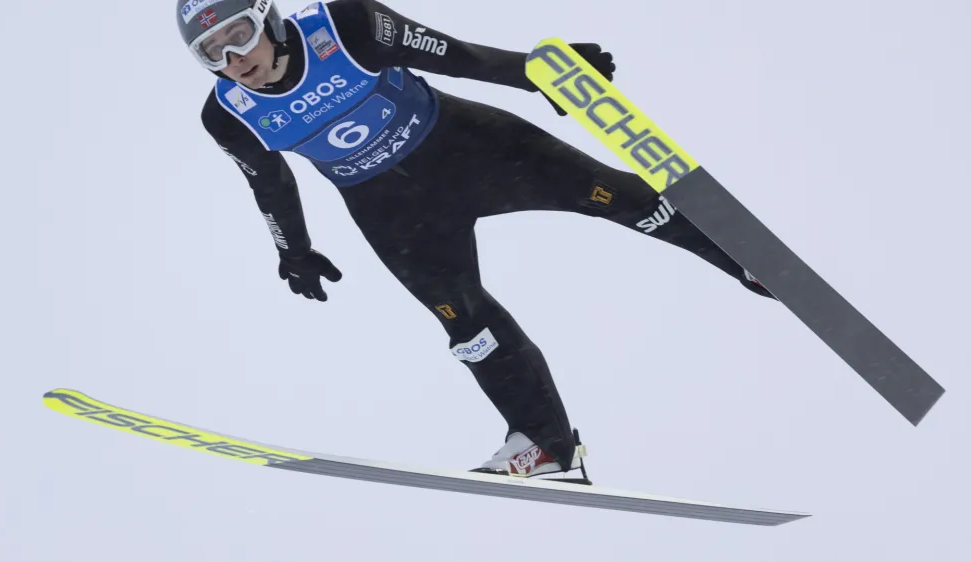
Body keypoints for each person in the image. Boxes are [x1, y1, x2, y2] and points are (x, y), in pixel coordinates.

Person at [177, 0, 773, 480]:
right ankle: (546, 446)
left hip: (477, 151)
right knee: (468, 328)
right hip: (396, 217)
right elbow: (271, 185)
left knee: (626, 200)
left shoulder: (346, 25)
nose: (233, 58)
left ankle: (752, 262)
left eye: (238, 34)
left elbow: (453, 55)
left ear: (268, 18)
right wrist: (294, 250)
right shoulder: (229, 114)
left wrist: (544, 76)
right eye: (212, 52)